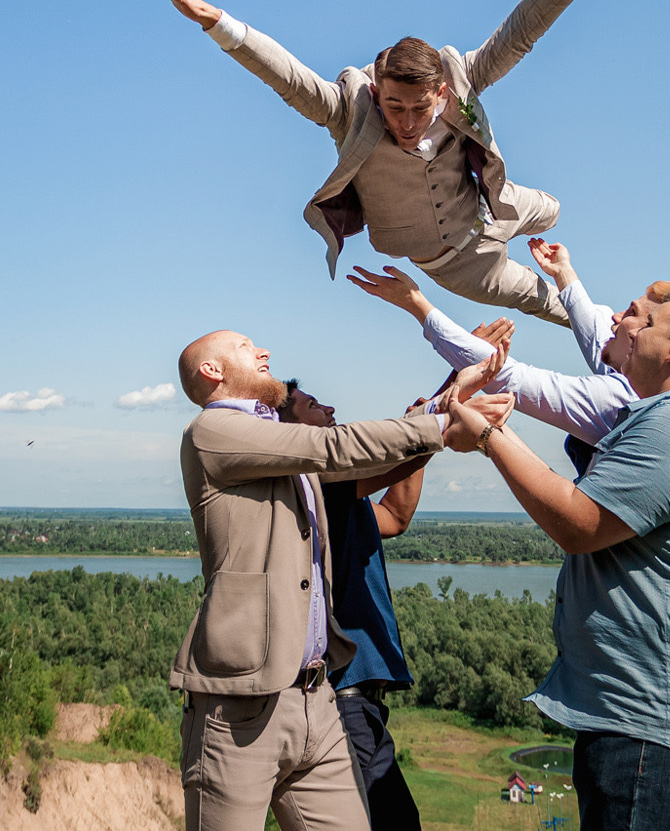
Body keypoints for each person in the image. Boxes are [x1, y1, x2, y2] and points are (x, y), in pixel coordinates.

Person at [139, 0, 632, 327]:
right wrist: (216, 22)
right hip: (459, 263)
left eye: (422, 108)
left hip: (493, 207)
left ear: (441, 92)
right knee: (560, 311)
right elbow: (286, 76)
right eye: (395, 107)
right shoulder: (349, 110)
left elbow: (520, 32)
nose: (409, 122)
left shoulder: (461, 80)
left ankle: (536, 212)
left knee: (553, 210)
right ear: (377, 91)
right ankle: (621, 333)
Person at [440, 290, 670, 829]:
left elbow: (579, 522)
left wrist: (489, 436)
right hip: (649, 730)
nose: (622, 323)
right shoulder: (669, 418)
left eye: (646, 321)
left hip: (656, 738)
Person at [169, 328, 510, 830]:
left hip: (315, 700)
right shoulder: (213, 431)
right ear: (212, 371)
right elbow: (335, 447)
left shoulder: (283, 453)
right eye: (245, 347)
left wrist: (452, 393)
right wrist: (442, 425)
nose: (263, 351)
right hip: (241, 707)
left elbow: (368, 461)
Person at [349, 239, 670, 473]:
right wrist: (562, 273)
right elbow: (598, 335)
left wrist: (418, 306)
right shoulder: (646, 384)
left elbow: (510, 377)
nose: (616, 317)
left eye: (632, 312)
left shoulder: (622, 399)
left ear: (650, 339)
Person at [276, 379, 429, 829]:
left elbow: (395, 516)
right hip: (342, 695)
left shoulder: (341, 494)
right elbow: (393, 454)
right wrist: (436, 413)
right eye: (311, 404)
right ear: (286, 427)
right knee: (393, 822)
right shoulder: (317, 478)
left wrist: (427, 418)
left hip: (362, 699)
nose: (329, 407)